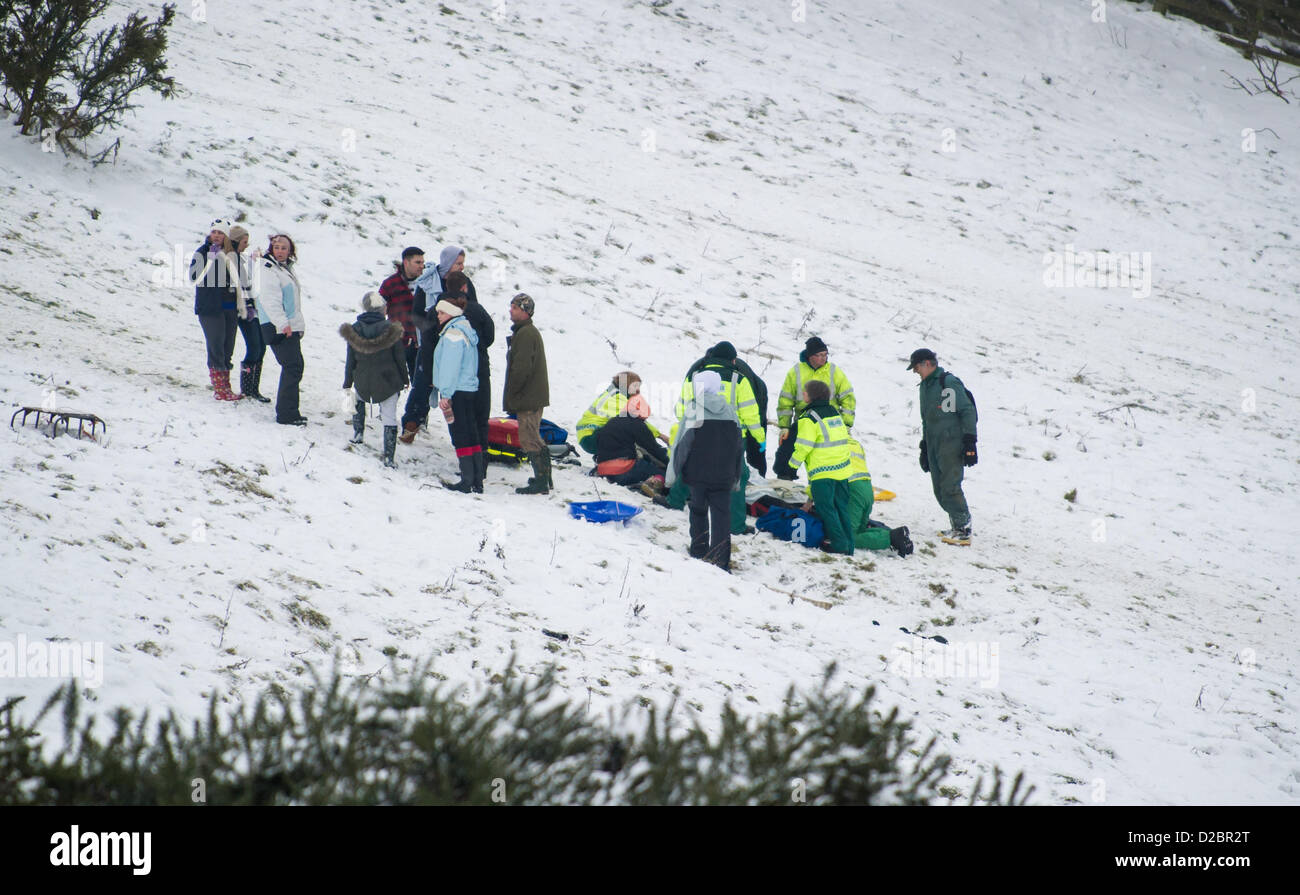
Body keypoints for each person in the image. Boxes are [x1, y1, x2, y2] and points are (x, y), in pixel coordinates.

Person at [667, 341, 766, 534]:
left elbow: (681, 409)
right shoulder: (740, 379)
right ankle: (736, 525)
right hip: (732, 436)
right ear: (733, 359)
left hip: (699, 430)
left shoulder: (695, 376)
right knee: (738, 475)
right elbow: (751, 415)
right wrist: (759, 438)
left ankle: (674, 500)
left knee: (690, 465)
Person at [667, 370, 744, 572]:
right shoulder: (730, 411)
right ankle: (720, 560)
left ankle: (699, 551)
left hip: (698, 474)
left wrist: (672, 474)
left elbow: (682, 444)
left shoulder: (694, 409)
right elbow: (738, 448)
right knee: (722, 516)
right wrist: (737, 477)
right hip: (724, 475)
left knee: (698, 511)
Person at [909, 348, 977, 545]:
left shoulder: (948, 382)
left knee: (950, 485)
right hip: (933, 442)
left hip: (951, 443)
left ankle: (963, 529)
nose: (915, 371)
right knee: (939, 487)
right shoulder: (925, 386)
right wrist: (924, 446)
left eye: (916, 367)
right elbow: (927, 418)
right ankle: (956, 524)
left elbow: (967, 411)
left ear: (927, 364)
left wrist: (970, 441)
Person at [341, 291, 409, 468]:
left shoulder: (354, 329)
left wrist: (348, 383)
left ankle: (358, 434)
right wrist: (404, 379)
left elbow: (351, 360)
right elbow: (400, 358)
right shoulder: (391, 328)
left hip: (363, 381)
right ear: (382, 309)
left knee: (358, 399)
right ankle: (388, 457)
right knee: (389, 417)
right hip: (388, 382)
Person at [774, 336, 855, 480]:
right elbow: (785, 401)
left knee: (828, 459)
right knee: (785, 454)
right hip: (804, 422)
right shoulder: (796, 372)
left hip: (829, 424)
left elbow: (848, 399)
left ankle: (826, 485)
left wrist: (846, 424)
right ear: (810, 356)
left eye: (825, 355)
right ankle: (785, 482)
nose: (823, 359)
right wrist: (784, 427)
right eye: (819, 355)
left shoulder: (834, 371)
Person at [788, 380, 854, 555]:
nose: (803, 394)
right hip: (842, 470)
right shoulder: (834, 413)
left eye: (805, 392)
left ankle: (839, 545)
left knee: (826, 508)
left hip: (822, 472)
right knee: (841, 507)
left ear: (811, 396)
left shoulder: (808, 418)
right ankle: (849, 545)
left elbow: (804, 445)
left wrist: (792, 464)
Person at [828, 436, 913, 556]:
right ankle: (898, 535)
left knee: (849, 536)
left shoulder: (828, 445)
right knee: (861, 530)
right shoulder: (855, 443)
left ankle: (892, 538)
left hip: (854, 491)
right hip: (867, 488)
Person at [501, 292, 552, 495]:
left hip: (528, 397)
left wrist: (513, 393)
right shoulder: (526, 332)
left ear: (525, 311)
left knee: (529, 438)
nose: (510, 310)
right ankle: (544, 478)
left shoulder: (525, 334)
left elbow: (521, 369)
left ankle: (541, 482)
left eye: (514, 307)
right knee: (533, 437)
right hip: (531, 395)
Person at [255, 234, 307, 426]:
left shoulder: (283, 269)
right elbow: (270, 299)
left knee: (295, 366)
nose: (280, 251)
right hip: (277, 326)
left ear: (290, 250)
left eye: (284, 247)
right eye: (276, 247)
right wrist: (283, 324)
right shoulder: (268, 269)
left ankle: (290, 411)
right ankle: (286, 414)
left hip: (287, 324)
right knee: (293, 366)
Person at [189, 218, 243, 401]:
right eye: (214, 232)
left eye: (221, 233)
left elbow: (240, 280)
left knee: (228, 346)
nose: (217, 236)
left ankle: (226, 386)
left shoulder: (231, 254)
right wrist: (210, 260)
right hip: (210, 308)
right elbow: (194, 277)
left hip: (230, 308)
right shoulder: (203, 252)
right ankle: (219, 388)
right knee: (216, 345)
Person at [432, 298, 482, 492]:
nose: (438, 316)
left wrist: (445, 393)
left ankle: (466, 480)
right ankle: (477, 480)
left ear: (451, 313)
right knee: (471, 433)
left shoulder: (453, 333)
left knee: (460, 434)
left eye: (441, 312)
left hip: (456, 391)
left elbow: (449, 367)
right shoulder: (465, 330)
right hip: (468, 389)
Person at [595, 393, 669, 493]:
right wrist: (671, 462)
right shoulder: (637, 424)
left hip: (603, 470)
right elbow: (654, 449)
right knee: (664, 475)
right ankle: (654, 483)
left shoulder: (612, 421)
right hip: (623, 471)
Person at [576, 372, 666, 454]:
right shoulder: (617, 397)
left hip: (588, 435)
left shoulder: (612, 393)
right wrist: (660, 436)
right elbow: (635, 421)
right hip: (591, 438)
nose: (638, 390)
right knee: (630, 430)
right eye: (635, 386)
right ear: (627, 385)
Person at [229, 225, 270, 403]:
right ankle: (247, 389)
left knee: (260, 346)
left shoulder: (239, 259)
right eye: (244, 242)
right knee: (254, 347)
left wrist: (254, 263)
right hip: (243, 310)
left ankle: (254, 389)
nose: (246, 245)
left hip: (252, 308)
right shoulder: (230, 259)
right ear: (236, 241)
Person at [379, 247, 426, 381]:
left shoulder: (426, 284)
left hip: (420, 343)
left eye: (423, 262)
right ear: (406, 262)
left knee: (420, 383)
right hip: (397, 342)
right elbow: (378, 311)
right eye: (418, 262)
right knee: (392, 385)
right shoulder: (390, 284)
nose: (421, 266)